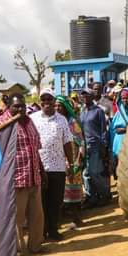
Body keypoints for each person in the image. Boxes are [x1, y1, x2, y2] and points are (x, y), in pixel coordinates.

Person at [0, 94, 46, 256]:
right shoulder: (0, 124)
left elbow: (35, 149)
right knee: (16, 219)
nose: (20, 109)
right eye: (16, 106)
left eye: (22, 106)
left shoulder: (29, 122)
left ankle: (36, 245)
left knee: (37, 216)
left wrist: (41, 171)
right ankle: (18, 251)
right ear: (9, 106)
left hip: (33, 177)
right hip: (15, 180)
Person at [31, 90, 74, 241]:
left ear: (54, 101)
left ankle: (53, 230)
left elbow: (67, 142)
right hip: (39, 168)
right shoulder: (33, 119)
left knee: (55, 201)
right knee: (41, 202)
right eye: (44, 99)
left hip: (58, 167)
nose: (47, 102)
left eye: (50, 99)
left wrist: (71, 162)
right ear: (40, 101)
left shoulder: (61, 120)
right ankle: (41, 232)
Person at [55, 96, 85, 229]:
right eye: (55, 106)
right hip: (59, 160)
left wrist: (78, 159)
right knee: (61, 191)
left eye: (59, 106)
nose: (57, 108)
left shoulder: (72, 122)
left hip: (72, 158)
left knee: (74, 189)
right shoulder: (56, 121)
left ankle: (77, 219)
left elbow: (81, 142)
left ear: (66, 107)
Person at [80, 88, 111, 208]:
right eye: (83, 95)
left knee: (95, 172)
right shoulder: (82, 112)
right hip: (85, 145)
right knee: (86, 173)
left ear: (92, 97)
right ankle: (91, 197)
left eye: (87, 95)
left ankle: (105, 194)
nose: (84, 97)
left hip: (96, 145)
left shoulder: (98, 111)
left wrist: (104, 146)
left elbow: (104, 130)